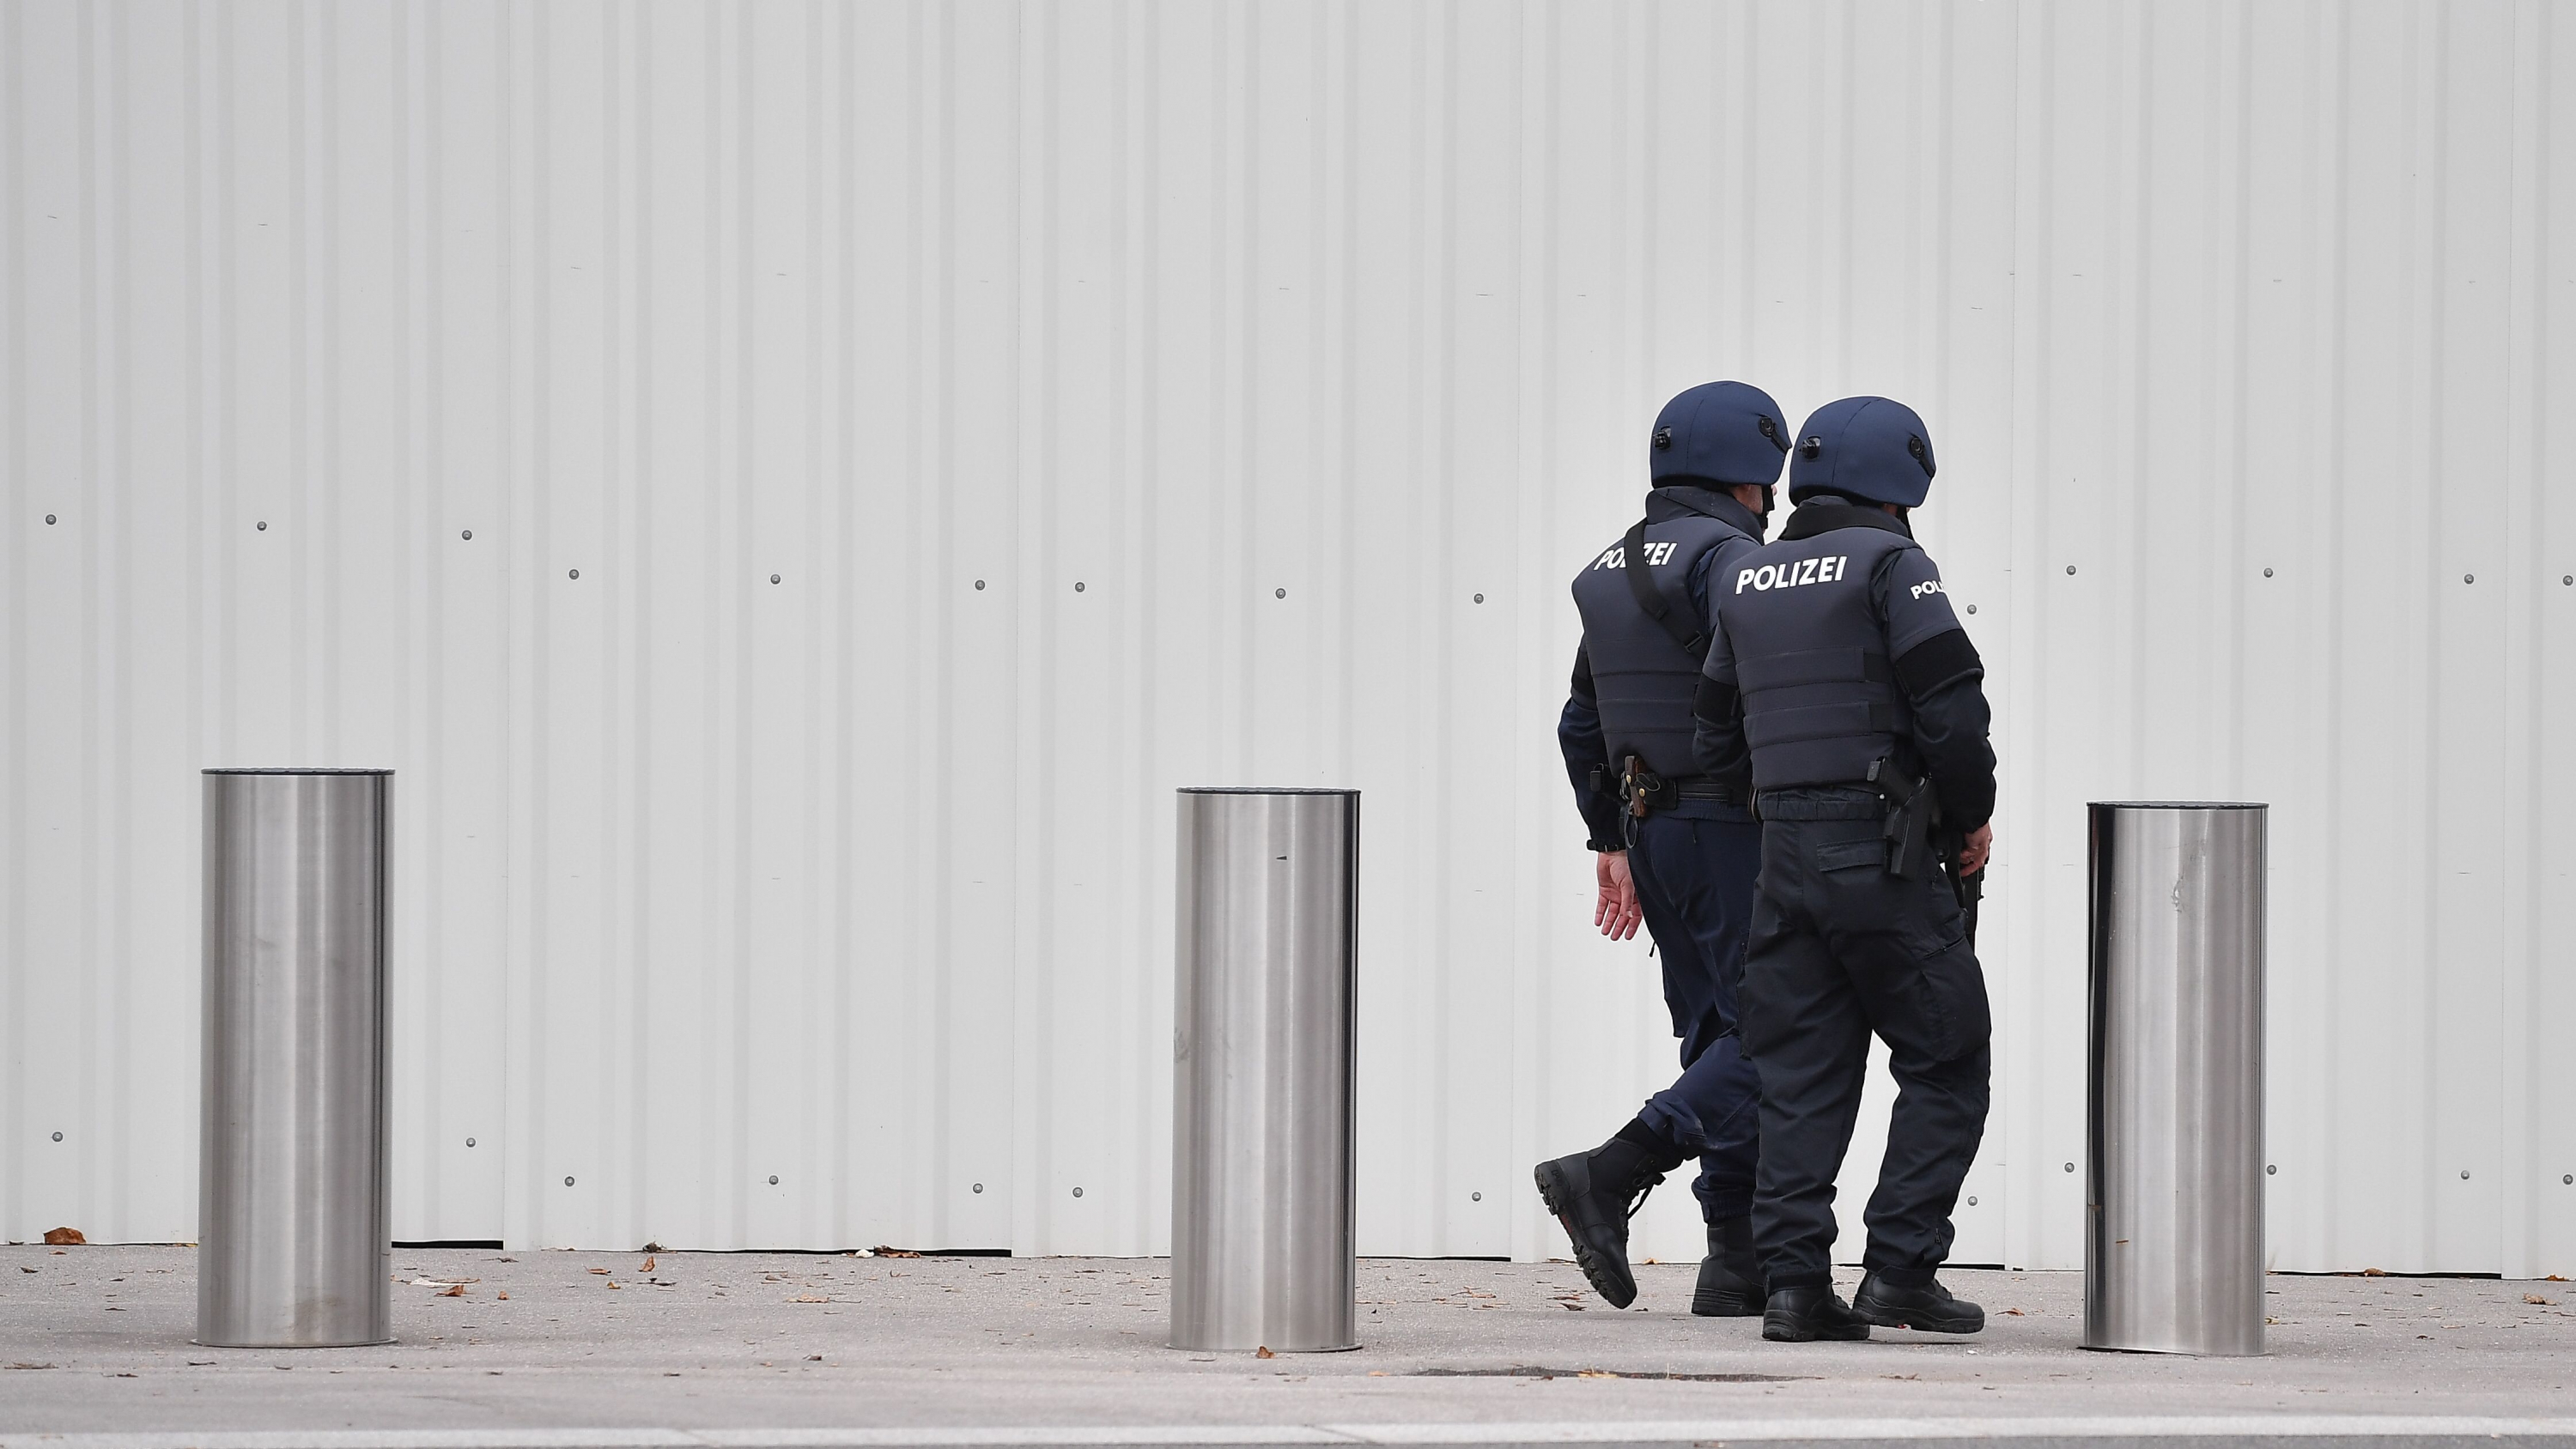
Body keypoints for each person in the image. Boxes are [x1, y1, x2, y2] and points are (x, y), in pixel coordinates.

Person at [1690, 395, 1996, 1343]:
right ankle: (1901, 1269)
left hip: (1783, 860)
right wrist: (1971, 816)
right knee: (1947, 1054)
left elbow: (1713, 734)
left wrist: (1787, 801)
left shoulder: (1746, 577)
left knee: (1800, 1074)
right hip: (1886, 857)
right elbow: (1953, 710)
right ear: (1905, 479)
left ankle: (1793, 1286)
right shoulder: (1898, 566)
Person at [1535, 380, 1790, 1315]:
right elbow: (1768, 672)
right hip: (1736, 826)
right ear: (1750, 470)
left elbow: (1581, 715)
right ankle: (1611, 1169)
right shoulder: (1728, 558)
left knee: (1717, 1038)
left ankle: (1734, 1263)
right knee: (1781, 1029)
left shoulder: (1609, 566)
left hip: (1654, 830)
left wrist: (1610, 833)